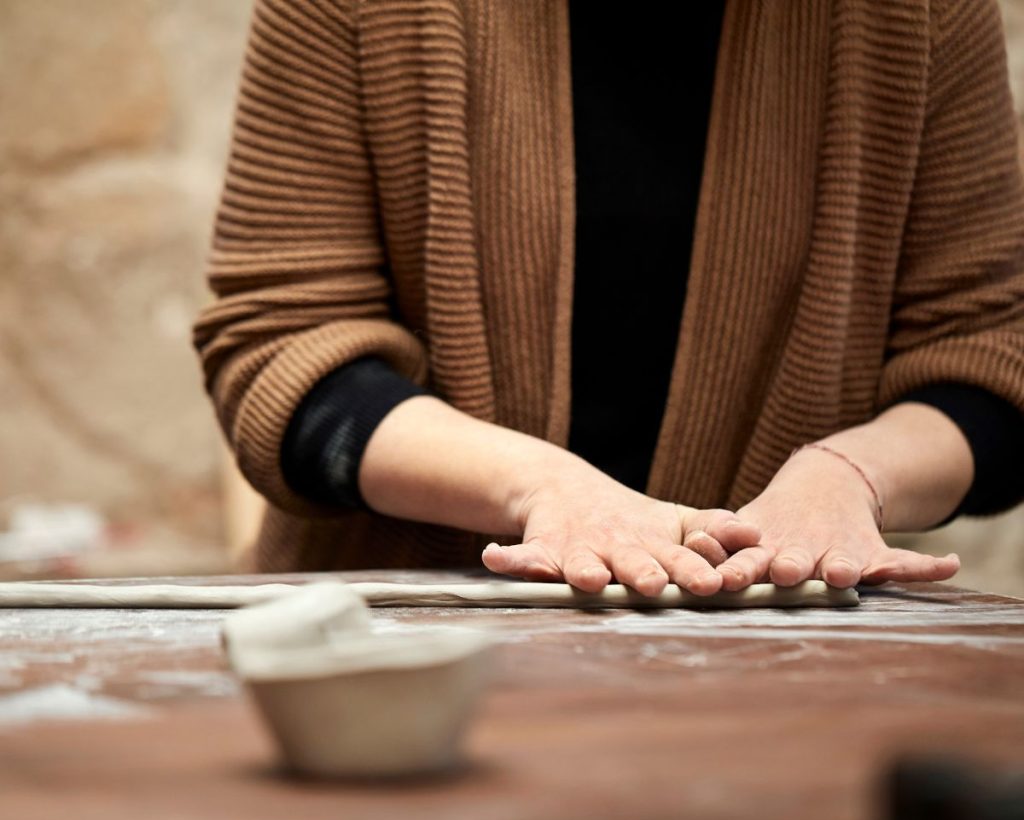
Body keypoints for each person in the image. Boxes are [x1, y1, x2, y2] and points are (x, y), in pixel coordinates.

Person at [193, 0, 1024, 595]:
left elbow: (993, 360)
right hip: (404, 650)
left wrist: (850, 478)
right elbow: (281, 352)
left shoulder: (923, 15)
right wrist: (539, 489)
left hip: (789, 668)